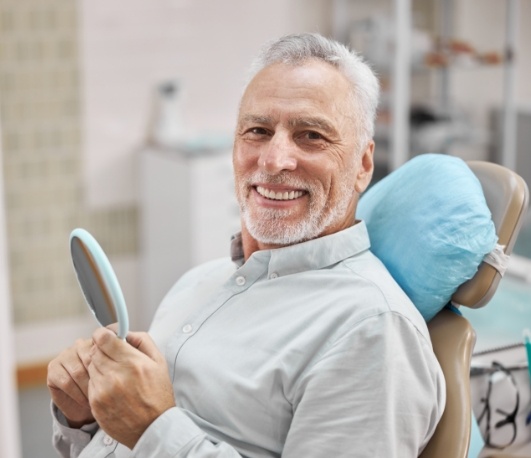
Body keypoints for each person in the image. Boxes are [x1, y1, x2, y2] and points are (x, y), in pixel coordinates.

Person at [47, 32, 445, 457]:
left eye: (311, 135)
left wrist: (154, 429)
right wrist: (84, 419)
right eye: (257, 130)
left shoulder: (371, 330)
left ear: (363, 164)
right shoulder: (197, 283)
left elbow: (149, 434)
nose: (273, 160)